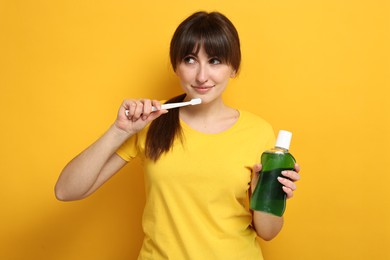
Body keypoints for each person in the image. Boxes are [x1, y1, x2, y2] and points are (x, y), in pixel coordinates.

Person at [55, 11, 301, 259]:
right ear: (176, 66)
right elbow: (66, 191)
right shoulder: (150, 120)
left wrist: (269, 196)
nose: (202, 76)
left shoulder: (259, 133)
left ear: (233, 67)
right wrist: (119, 131)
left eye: (215, 60)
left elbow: (267, 232)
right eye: (190, 59)